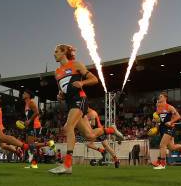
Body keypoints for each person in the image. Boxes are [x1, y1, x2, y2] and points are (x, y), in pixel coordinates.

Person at [49, 44, 121, 175]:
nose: (54, 54)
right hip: (70, 103)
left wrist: (82, 83)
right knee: (90, 135)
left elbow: (94, 79)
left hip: (80, 100)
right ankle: (111, 129)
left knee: (68, 127)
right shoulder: (57, 72)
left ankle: (67, 165)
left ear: (64, 52)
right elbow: (62, 90)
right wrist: (60, 95)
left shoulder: (76, 65)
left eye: (56, 51)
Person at [152, 92, 181, 170]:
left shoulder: (169, 107)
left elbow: (178, 116)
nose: (159, 98)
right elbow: (158, 120)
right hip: (162, 128)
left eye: (161, 97)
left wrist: (171, 122)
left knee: (162, 145)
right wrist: (156, 128)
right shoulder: (158, 107)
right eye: (159, 97)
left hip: (169, 128)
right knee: (171, 147)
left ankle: (162, 163)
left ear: (165, 98)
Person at [22, 90, 43, 169]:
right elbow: (29, 116)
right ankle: (34, 164)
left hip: (35, 125)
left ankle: (34, 164)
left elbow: (37, 112)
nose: (23, 94)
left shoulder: (31, 102)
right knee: (30, 144)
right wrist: (25, 122)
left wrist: (30, 121)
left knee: (31, 145)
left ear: (28, 94)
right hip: (30, 126)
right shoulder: (26, 103)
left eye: (24, 93)